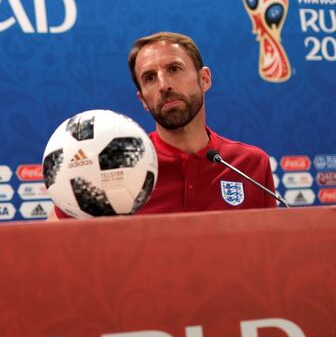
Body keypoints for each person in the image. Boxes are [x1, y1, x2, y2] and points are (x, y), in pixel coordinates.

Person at [52, 31, 276, 219]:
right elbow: (53, 246)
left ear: (204, 79)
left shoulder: (251, 165)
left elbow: (270, 252)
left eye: (174, 69)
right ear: (143, 101)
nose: (164, 85)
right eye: (150, 77)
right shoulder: (114, 165)